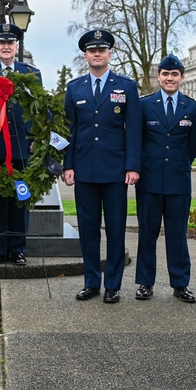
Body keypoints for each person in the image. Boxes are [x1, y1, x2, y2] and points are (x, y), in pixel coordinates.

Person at [63, 29, 141, 303]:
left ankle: (113, 285)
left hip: (116, 169)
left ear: (109, 54)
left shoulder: (126, 86)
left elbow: (133, 129)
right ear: (85, 55)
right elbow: (70, 130)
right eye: (92, 50)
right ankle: (91, 281)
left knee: (116, 228)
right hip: (84, 168)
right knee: (87, 228)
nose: (97, 54)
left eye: (102, 50)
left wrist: (133, 166)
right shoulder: (74, 88)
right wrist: (68, 164)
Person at [134, 54, 196, 303]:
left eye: (174, 74)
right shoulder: (143, 105)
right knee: (147, 233)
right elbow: (137, 141)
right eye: (165, 74)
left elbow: (192, 146)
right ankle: (145, 282)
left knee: (177, 233)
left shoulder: (193, 108)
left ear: (181, 78)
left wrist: (179, 166)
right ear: (158, 77)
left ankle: (180, 283)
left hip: (178, 180)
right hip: (149, 180)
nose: (169, 78)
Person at [0, 23, 42, 266]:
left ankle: (17, 250)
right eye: (1, 43)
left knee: (20, 198)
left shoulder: (31, 73)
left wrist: (35, 139)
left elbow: (38, 110)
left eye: (10, 43)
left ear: (16, 46)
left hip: (22, 147)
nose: (5, 47)